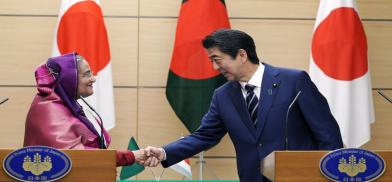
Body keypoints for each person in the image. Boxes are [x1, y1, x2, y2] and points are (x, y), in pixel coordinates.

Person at [142, 29, 344, 181]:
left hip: (299, 177)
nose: (214, 67)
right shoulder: (222, 96)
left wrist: (330, 174)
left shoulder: (294, 81)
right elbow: (204, 136)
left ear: (241, 55)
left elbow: (327, 135)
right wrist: (165, 152)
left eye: (217, 59)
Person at [24, 53, 146, 166]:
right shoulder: (49, 110)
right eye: (87, 74)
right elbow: (74, 156)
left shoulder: (65, 104)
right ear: (69, 78)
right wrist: (129, 156)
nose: (93, 79)